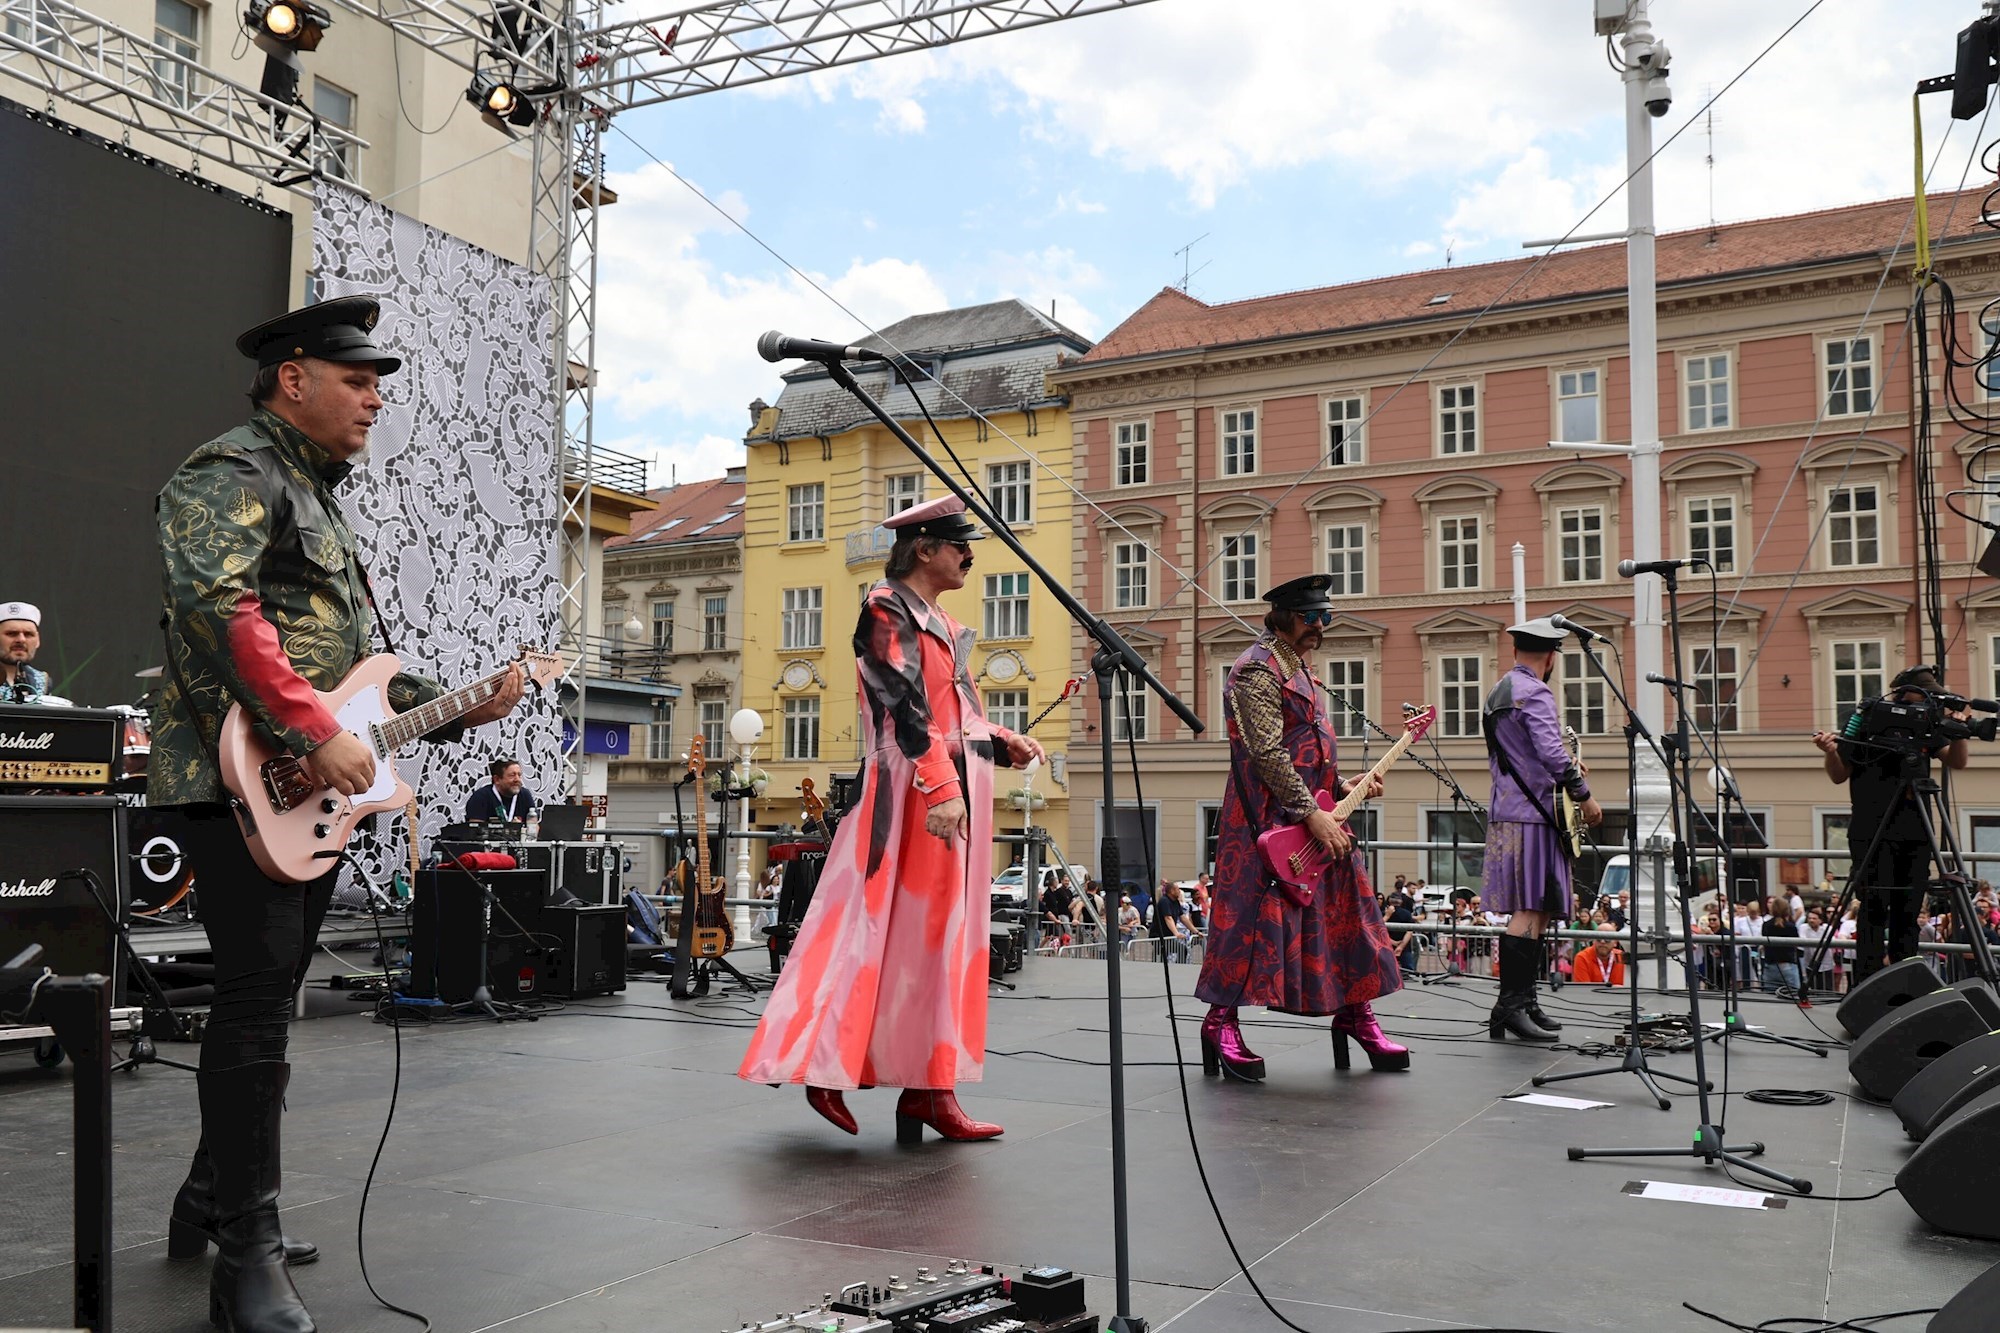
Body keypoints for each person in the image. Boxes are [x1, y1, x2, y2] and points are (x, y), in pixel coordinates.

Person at [150, 296, 526, 1333]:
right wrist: (313, 729)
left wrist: (462, 705)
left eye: (377, 385)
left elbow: (361, 682)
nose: (373, 399)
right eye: (357, 380)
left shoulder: (318, 497)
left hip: (303, 787)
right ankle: (247, 1254)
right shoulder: (229, 472)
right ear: (293, 377)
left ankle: (212, 1199)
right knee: (257, 1006)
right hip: (237, 781)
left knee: (260, 1000)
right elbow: (216, 608)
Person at [738, 495, 1043, 1142]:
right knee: (865, 932)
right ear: (925, 547)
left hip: (937, 789)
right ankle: (826, 1062)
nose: (969, 553)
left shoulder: (942, 623)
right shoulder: (885, 608)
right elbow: (903, 709)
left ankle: (930, 1089)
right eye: (959, 543)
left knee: (936, 945)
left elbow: (947, 715)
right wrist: (940, 785)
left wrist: (997, 737)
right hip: (906, 796)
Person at [1193, 573, 1407, 1081]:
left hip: (1317, 816)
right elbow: (1265, 754)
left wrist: (1344, 783)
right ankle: (1220, 1022)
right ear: (1286, 616)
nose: (1322, 627)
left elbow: (1307, 750)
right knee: (1249, 924)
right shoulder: (1255, 671)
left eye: (1326, 617)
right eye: (1314, 618)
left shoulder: (1301, 669)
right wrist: (1310, 811)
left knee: (1348, 913)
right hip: (1267, 823)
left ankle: (1357, 1014)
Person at [1481, 617, 1603, 1040]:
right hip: (1534, 813)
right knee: (1531, 907)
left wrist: (1562, 764)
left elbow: (1522, 752)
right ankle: (1513, 1006)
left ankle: (1520, 1002)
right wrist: (1584, 794)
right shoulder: (1535, 691)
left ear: (1516, 652)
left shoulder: (1500, 690)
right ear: (1551, 657)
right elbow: (1551, 751)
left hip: (1511, 807)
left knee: (1542, 907)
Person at [1812, 665, 1971, 983]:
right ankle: (1868, 985)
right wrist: (1830, 751)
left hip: (1915, 829)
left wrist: (1959, 732)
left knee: (1908, 912)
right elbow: (1838, 774)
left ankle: (1906, 981)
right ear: (1901, 693)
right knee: (1873, 908)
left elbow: (1957, 761)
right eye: (1923, 694)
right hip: (1872, 829)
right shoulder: (1866, 719)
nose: (1929, 701)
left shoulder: (1924, 723)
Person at [465, 756, 539, 824]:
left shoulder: (525, 795)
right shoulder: (481, 797)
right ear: (497, 779)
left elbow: (534, 827)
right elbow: (474, 831)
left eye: (519, 775)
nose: (517, 779)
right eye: (512, 775)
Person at [0, 602, 50, 704]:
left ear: (38, 640)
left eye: (28, 634)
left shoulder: (41, 680)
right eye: (11, 634)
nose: (21, 640)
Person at [1761, 897, 1804, 1001]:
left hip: (1770, 965)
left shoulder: (1766, 925)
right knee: (1793, 997)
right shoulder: (1790, 926)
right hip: (1787, 964)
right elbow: (1796, 943)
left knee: (1770, 998)